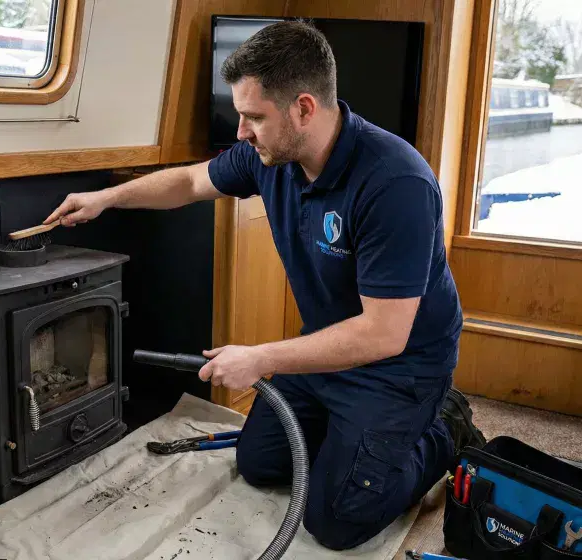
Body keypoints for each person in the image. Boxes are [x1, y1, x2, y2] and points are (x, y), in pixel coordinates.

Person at [44, 20, 486, 550]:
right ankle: (355, 444)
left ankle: (445, 426)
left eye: (254, 117)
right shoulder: (271, 157)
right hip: (326, 351)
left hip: (398, 368)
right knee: (259, 464)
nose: (241, 132)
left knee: (335, 521)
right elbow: (189, 181)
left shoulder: (396, 183)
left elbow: (383, 334)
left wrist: (260, 358)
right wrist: (105, 199)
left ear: (304, 109)